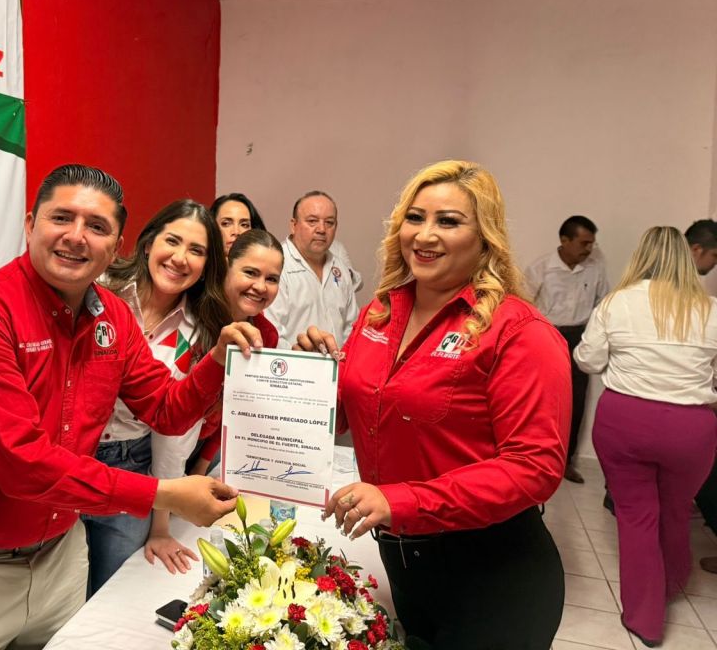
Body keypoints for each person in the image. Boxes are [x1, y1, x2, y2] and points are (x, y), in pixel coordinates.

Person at [0, 165, 256, 650]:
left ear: (116, 247)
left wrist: (217, 360)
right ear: (30, 224)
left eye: (96, 226)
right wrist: (165, 494)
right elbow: (22, 465)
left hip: (61, 559)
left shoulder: (112, 315)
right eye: (61, 218)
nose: (76, 237)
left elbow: (166, 409)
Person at [300, 159, 571, 650]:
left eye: (448, 221)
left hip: (493, 573)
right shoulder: (379, 312)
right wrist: (307, 378)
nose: (424, 235)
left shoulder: (519, 332)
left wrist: (399, 501)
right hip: (403, 562)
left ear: (485, 237)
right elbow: (348, 414)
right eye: (414, 217)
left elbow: (535, 467)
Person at [574, 226, 717, 647]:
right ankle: (672, 583)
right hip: (691, 429)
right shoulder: (710, 309)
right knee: (676, 508)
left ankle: (645, 618)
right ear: (686, 257)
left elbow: (587, 360)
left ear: (642, 256)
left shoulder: (616, 303)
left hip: (626, 422)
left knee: (636, 514)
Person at [84, 200, 232, 595]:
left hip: (134, 463)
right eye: (173, 241)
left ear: (206, 265)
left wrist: (161, 525)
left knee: (112, 592)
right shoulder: (98, 289)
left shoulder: (202, 332)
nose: (180, 258)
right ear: (149, 243)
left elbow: (175, 432)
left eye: (197, 250)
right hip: (73, 455)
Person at [188, 229, 284, 476]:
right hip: (159, 443)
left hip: (209, 445)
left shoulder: (265, 335)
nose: (260, 286)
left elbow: (235, 407)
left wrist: (202, 463)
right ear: (227, 266)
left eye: (272, 279)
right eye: (250, 272)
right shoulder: (191, 314)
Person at [526, 214, 609, 483]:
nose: (589, 249)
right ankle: (532, 457)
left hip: (579, 338)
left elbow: (603, 305)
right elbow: (523, 303)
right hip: (546, 336)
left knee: (575, 401)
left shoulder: (595, 269)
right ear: (565, 240)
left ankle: (566, 461)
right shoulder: (541, 268)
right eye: (584, 243)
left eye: (592, 243)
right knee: (538, 399)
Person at [266, 190, 360, 348]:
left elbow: (351, 329)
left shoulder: (340, 269)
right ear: (294, 225)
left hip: (336, 362)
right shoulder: (276, 265)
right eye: (312, 221)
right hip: (291, 362)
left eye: (329, 222)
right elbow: (272, 332)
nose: (321, 229)